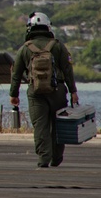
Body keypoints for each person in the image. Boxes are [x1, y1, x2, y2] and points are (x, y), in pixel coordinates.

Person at [9, 12, 79, 168]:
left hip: (35, 92)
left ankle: (43, 160)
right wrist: (73, 91)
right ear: (48, 27)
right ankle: (57, 158)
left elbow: (16, 74)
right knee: (58, 125)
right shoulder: (58, 45)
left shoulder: (24, 49)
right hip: (58, 91)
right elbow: (68, 70)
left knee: (41, 126)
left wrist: (14, 95)